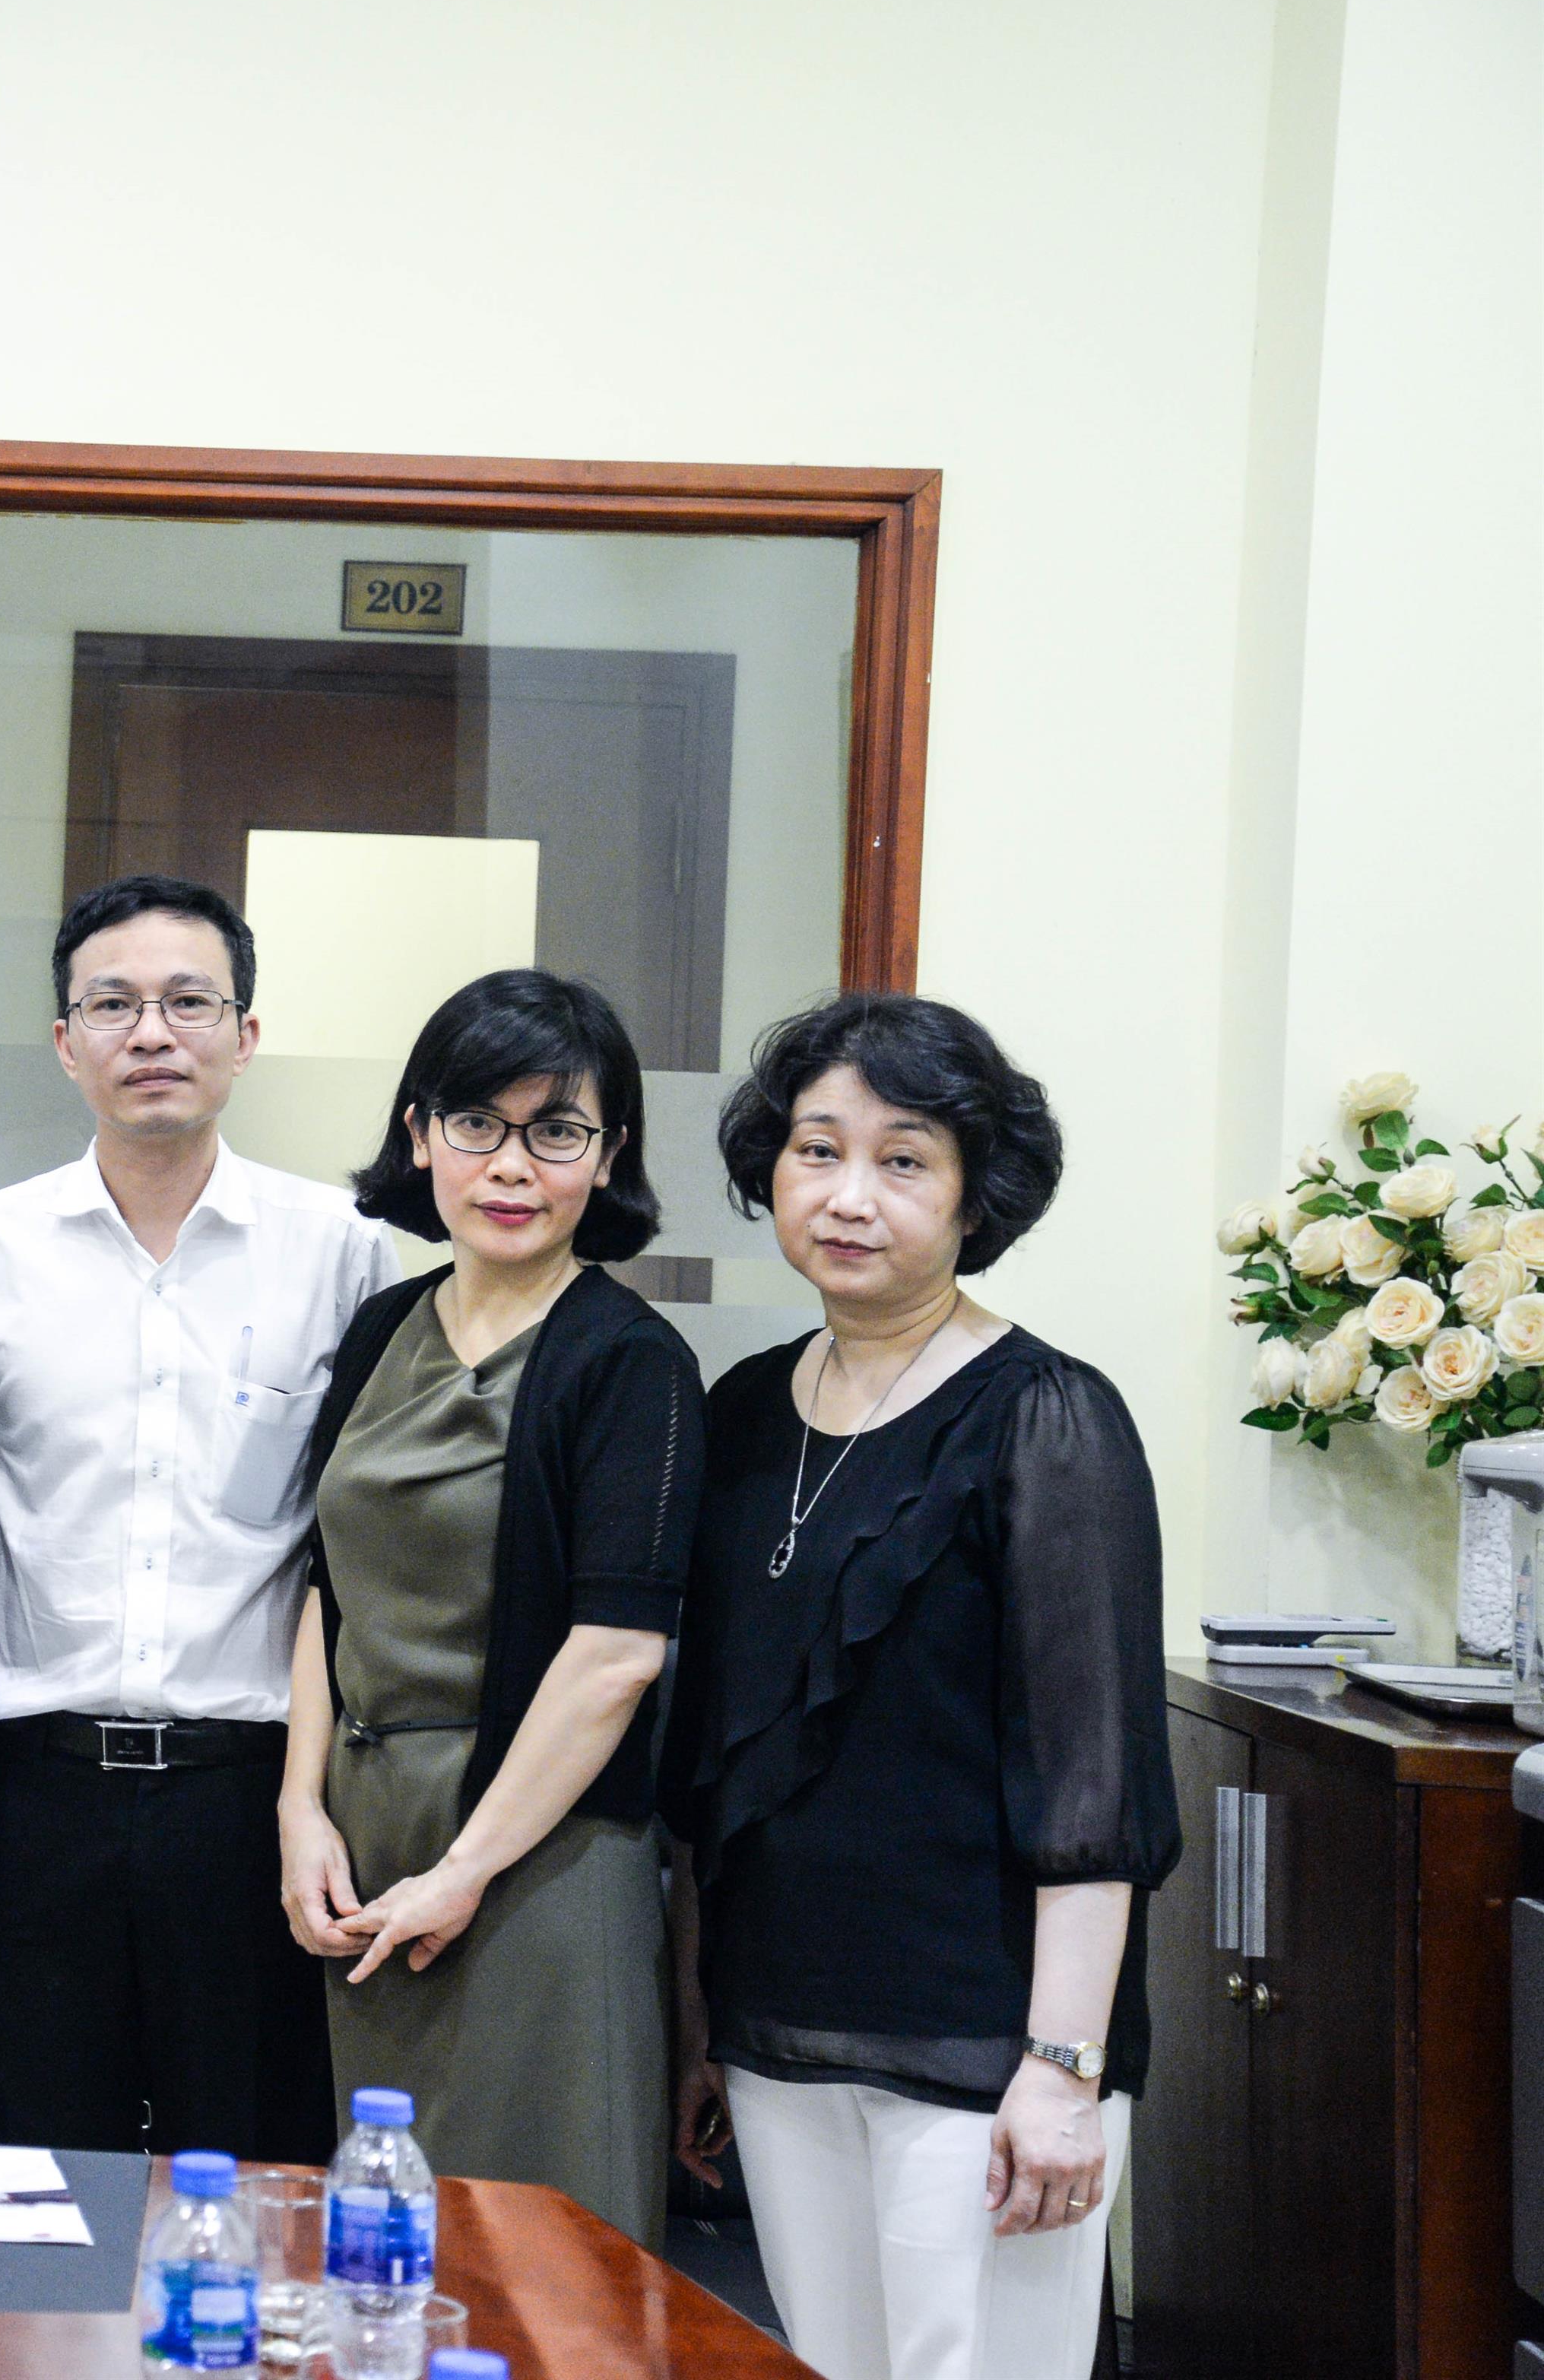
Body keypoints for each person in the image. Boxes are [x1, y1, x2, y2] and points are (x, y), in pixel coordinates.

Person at [664, 993, 1179, 2379]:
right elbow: (715, 1769)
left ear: (973, 1194)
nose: (850, 1195)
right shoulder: (743, 1411)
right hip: (780, 2023)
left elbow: (1095, 1781)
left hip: (984, 2045)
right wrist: (701, 2024)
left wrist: (1063, 2068)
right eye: (817, 1149)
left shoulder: (1047, 1415)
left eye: (903, 1159)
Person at [0, 874, 402, 2164]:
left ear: (246, 1035)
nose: (152, 1033)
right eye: (113, 1004)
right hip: (32, 1796)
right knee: (22, 2183)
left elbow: (355, 1547)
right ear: (64, 1041)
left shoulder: (343, 1249)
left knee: (251, 2179)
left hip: (251, 1804)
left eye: (190, 1001)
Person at [275, 969, 698, 2245]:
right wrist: (300, 1807)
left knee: (544, 2244)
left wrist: (464, 1870)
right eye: (476, 1123)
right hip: (364, 1843)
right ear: (420, 1135)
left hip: (539, 1856)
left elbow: (617, 1657)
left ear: (607, 1156)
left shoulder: (632, 1362)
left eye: (556, 1130)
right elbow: (327, 1585)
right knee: (381, 2240)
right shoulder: (381, 1328)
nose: (512, 1165)